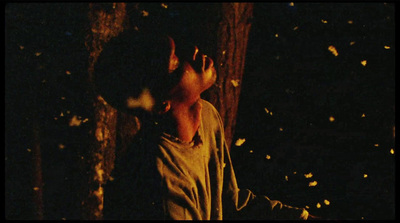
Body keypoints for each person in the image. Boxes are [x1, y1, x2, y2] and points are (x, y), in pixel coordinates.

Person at [94, 29, 313, 220]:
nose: (194, 51)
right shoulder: (160, 181)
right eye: (177, 60)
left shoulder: (205, 115)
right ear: (161, 104)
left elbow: (228, 204)